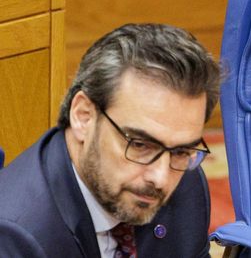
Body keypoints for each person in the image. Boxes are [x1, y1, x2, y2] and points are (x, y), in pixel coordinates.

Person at [0, 23, 222, 258]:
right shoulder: (17, 237)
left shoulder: (186, 183)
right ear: (83, 116)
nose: (160, 178)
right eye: (140, 145)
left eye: (181, 151)